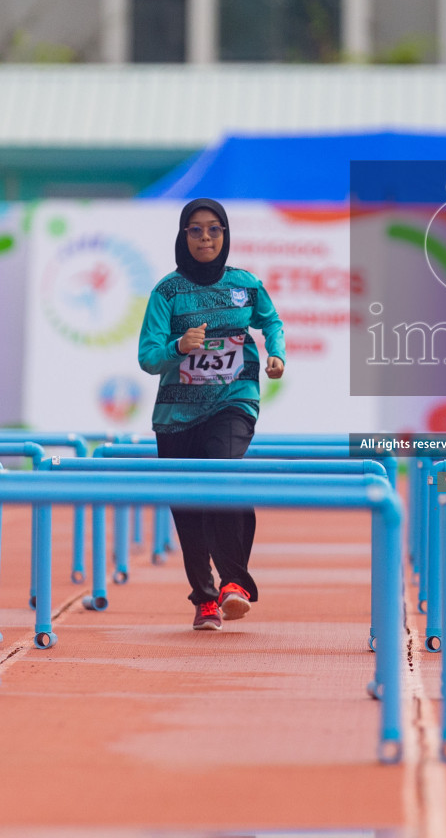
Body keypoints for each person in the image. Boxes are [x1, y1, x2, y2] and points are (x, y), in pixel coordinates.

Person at [138, 198, 286, 631]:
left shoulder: (246, 284)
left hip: (233, 398)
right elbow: (148, 357)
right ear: (183, 236)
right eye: (196, 230)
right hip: (177, 412)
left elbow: (271, 321)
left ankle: (234, 584)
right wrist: (179, 347)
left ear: (226, 235)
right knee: (188, 504)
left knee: (225, 474)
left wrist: (276, 352)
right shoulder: (167, 292)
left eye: (215, 229)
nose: (206, 238)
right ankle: (204, 598)